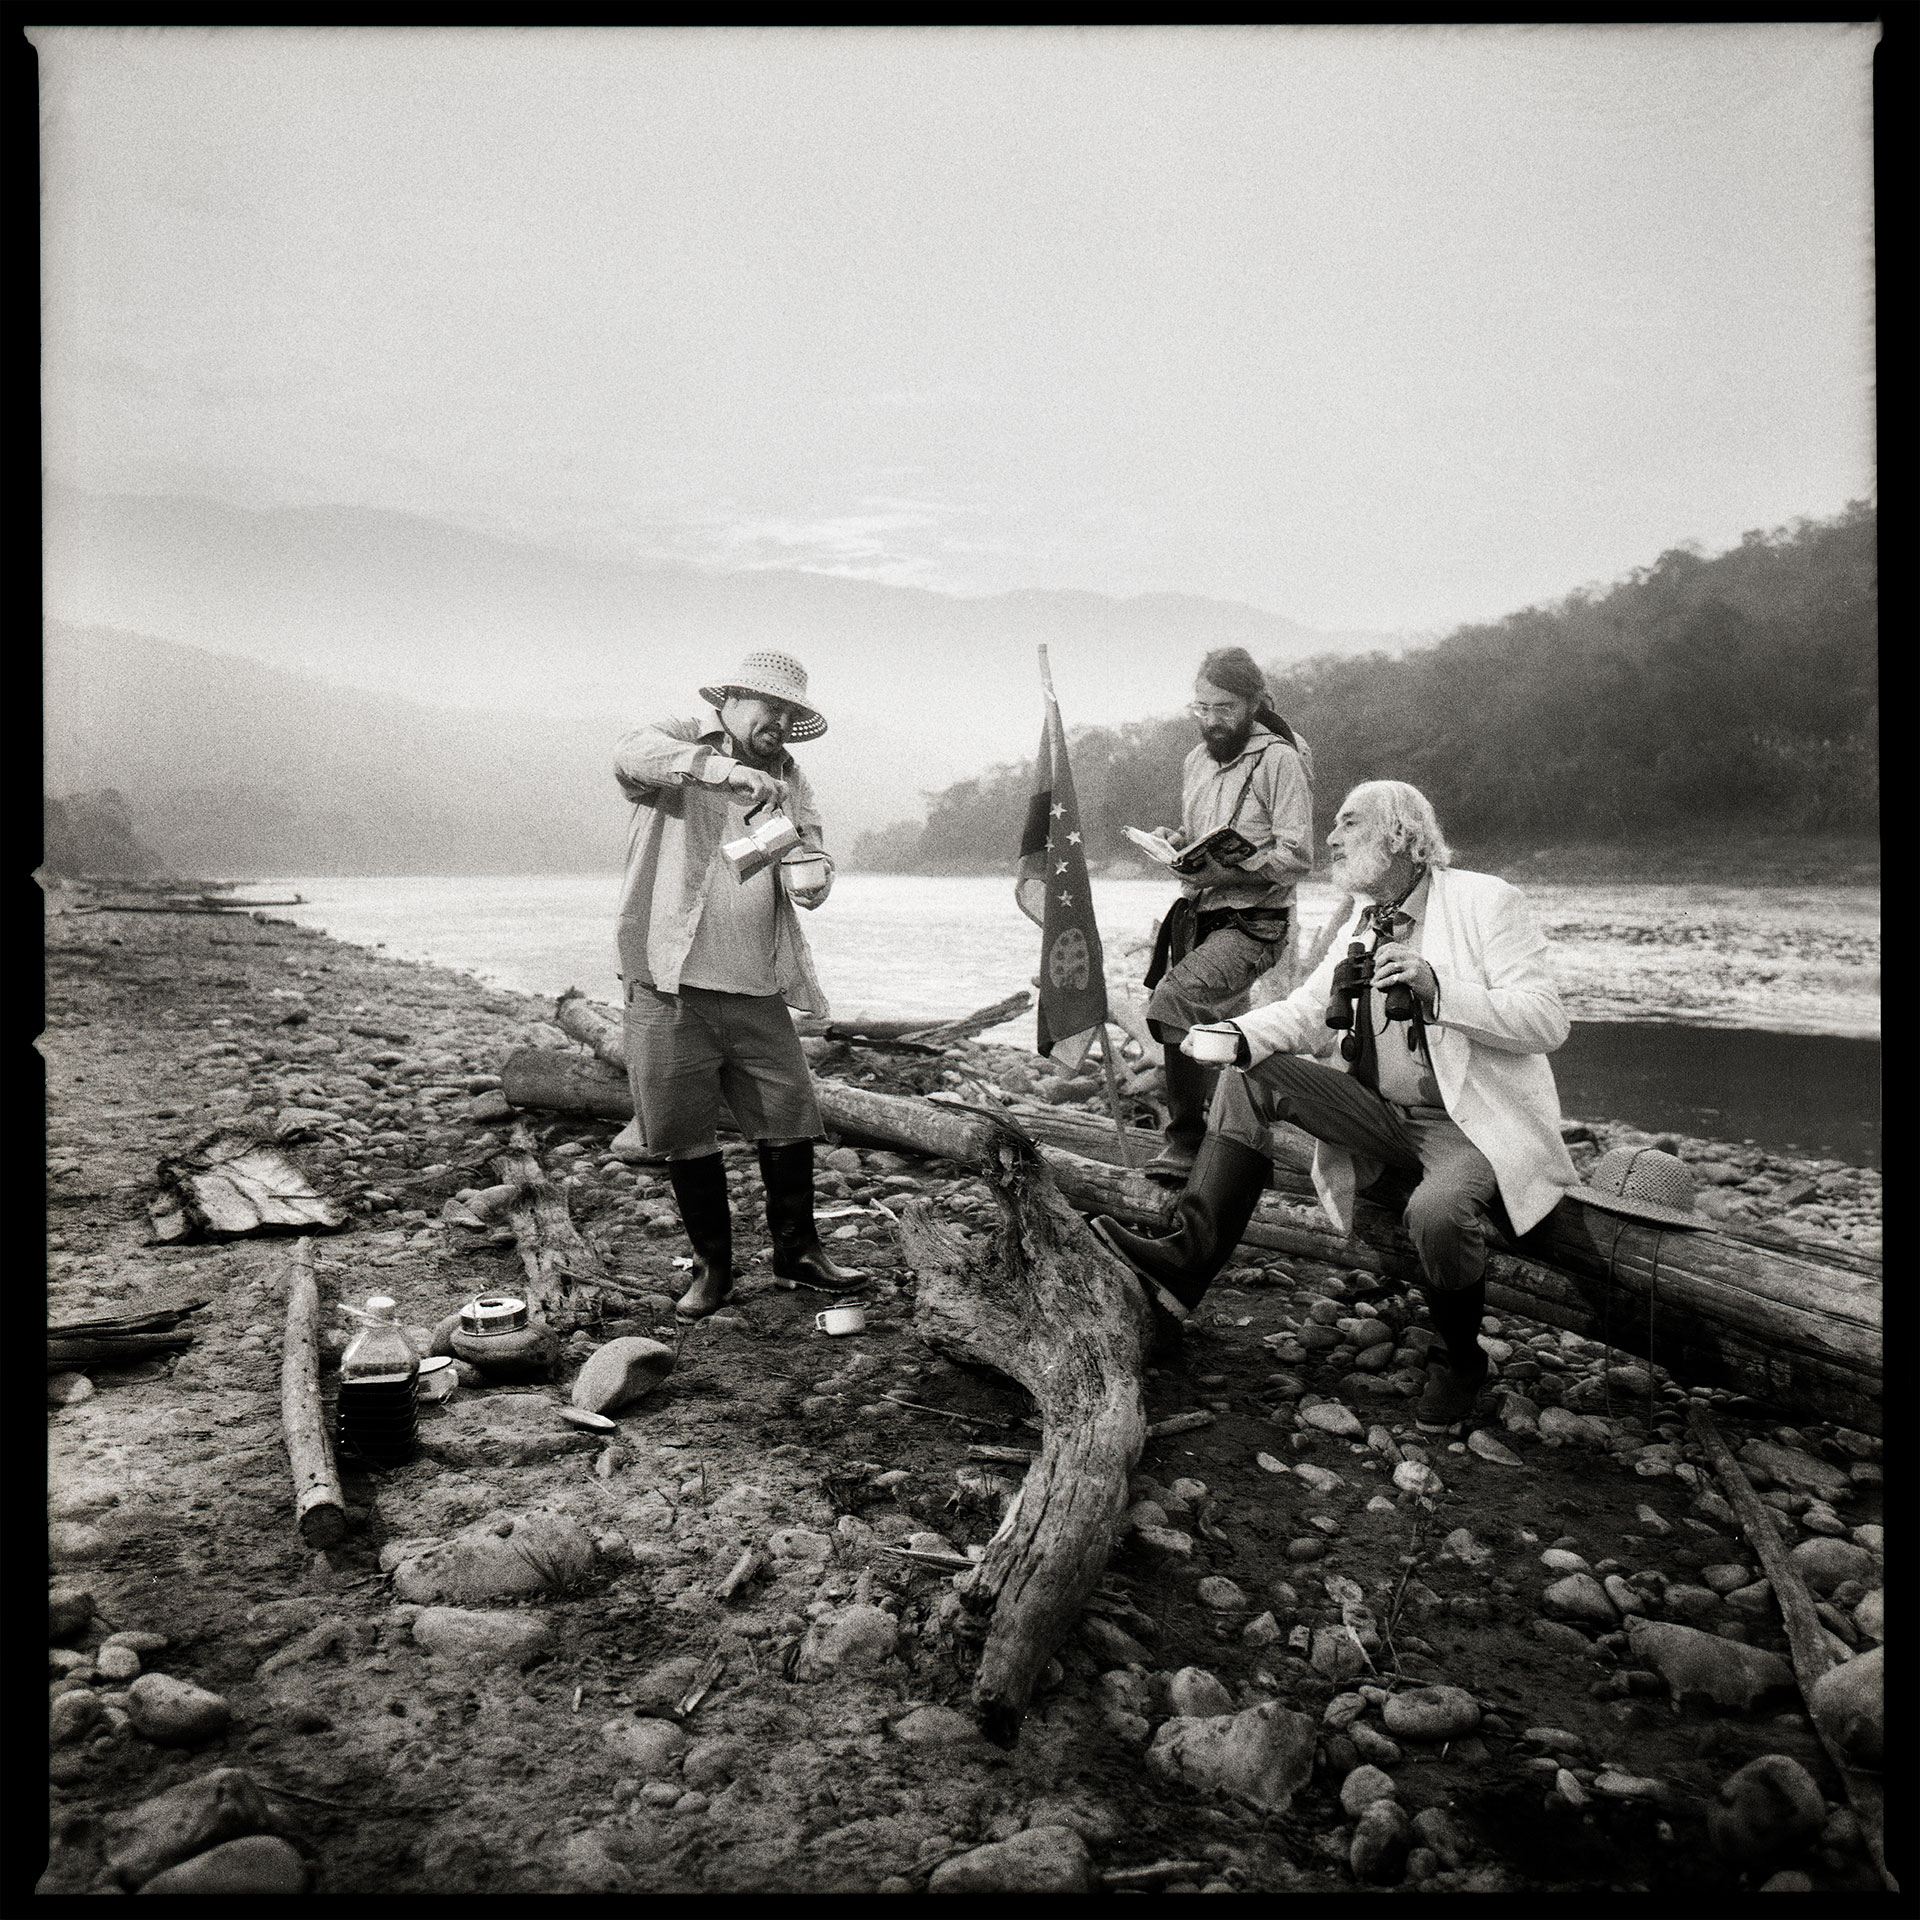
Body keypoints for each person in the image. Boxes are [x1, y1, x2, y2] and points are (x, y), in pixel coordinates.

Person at [1096, 780, 1579, 1427]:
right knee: (1249, 1073)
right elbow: (1305, 1015)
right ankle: (1185, 1261)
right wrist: (1229, 1037)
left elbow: (1547, 1021)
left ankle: (1462, 1359)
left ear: (1400, 834)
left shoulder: (1487, 901)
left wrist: (1441, 990)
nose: (1330, 837)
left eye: (1348, 823)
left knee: (1436, 1213)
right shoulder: (1366, 921)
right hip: (1380, 1115)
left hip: (1469, 1125)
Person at [612, 650, 860, 1319]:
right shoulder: (680, 742)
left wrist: (815, 867)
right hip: (670, 978)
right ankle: (713, 1270)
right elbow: (630, 755)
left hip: (756, 980)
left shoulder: (791, 777)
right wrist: (726, 772)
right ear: (733, 700)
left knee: (788, 1118)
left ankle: (798, 1254)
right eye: (768, 706)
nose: (778, 721)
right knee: (682, 1130)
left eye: (789, 713)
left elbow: (812, 852)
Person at [1139, 647, 1314, 1184]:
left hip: (1255, 923)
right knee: (1213, 1036)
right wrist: (1177, 843)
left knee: (1172, 1002)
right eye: (1202, 707)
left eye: (1224, 708)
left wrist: (1231, 874)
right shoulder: (1195, 761)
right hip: (1200, 914)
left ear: (1254, 702)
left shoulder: (1280, 759)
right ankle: (1232, 1152)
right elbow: (1201, 840)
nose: (1212, 720)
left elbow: (1298, 857)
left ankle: (1186, 1142)